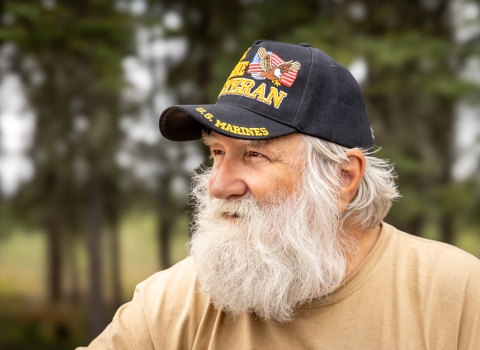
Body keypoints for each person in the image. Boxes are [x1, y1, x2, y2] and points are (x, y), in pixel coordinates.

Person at [77, 40, 480, 349]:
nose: (218, 185)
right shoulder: (169, 304)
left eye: (254, 155)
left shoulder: (459, 295)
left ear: (343, 178)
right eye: (217, 152)